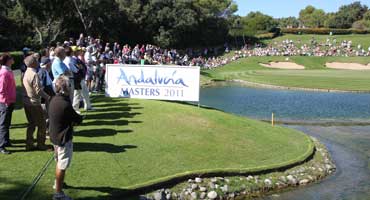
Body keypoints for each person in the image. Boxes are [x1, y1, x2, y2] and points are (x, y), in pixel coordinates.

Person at [49, 75, 83, 200]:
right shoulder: (64, 104)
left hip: (55, 136)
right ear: (66, 88)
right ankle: (58, 193)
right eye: (69, 86)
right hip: (62, 138)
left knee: (59, 162)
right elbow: (77, 119)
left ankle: (57, 183)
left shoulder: (54, 99)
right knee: (62, 166)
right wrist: (79, 117)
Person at [23, 55, 51, 150]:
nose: (38, 62)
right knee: (42, 124)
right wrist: (47, 97)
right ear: (33, 63)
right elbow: (38, 90)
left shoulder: (25, 72)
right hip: (34, 102)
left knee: (31, 123)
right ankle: (41, 144)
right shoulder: (34, 74)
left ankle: (29, 144)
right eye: (36, 60)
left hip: (27, 101)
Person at [0, 53, 16, 154]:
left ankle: (6, 141)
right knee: (3, 124)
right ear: (8, 60)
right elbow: (1, 89)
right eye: (11, 58)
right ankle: (1, 146)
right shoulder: (4, 72)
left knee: (7, 123)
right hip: (5, 102)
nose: (13, 59)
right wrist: (5, 101)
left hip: (10, 101)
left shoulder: (8, 70)